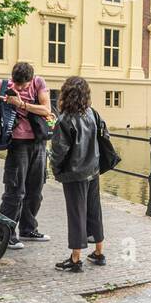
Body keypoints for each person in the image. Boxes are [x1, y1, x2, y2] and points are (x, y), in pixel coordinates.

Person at [0, 62, 52, 249]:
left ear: (31, 79)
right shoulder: (6, 84)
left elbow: (47, 110)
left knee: (35, 190)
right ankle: (7, 234)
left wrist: (21, 103)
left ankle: (28, 229)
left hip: (38, 142)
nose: (20, 88)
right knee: (15, 191)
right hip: (18, 144)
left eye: (24, 85)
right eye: (17, 84)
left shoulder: (39, 83)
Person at [49, 76, 106, 272]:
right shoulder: (92, 114)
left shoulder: (64, 120)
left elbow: (59, 151)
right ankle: (99, 252)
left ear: (66, 94)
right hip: (93, 170)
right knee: (94, 211)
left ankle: (75, 259)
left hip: (75, 173)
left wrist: (55, 169)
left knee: (76, 214)